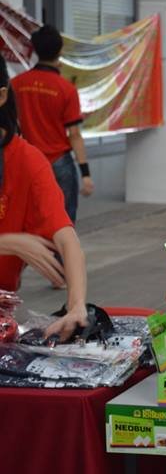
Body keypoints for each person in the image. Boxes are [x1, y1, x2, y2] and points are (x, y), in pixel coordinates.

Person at [0, 59, 88, 340]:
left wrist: (76, 305)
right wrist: (6, 242)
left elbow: (66, 238)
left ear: (2, 96)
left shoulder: (27, 161)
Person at [11, 24, 92, 223]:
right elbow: (74, 134)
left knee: (30, 220)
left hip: (28, 161)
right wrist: (86, 174)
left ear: (36, 50)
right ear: (60, 50)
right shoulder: (66, 89)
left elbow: (13, 125)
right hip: (59, 162)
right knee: (63, 222)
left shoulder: (16, 84)